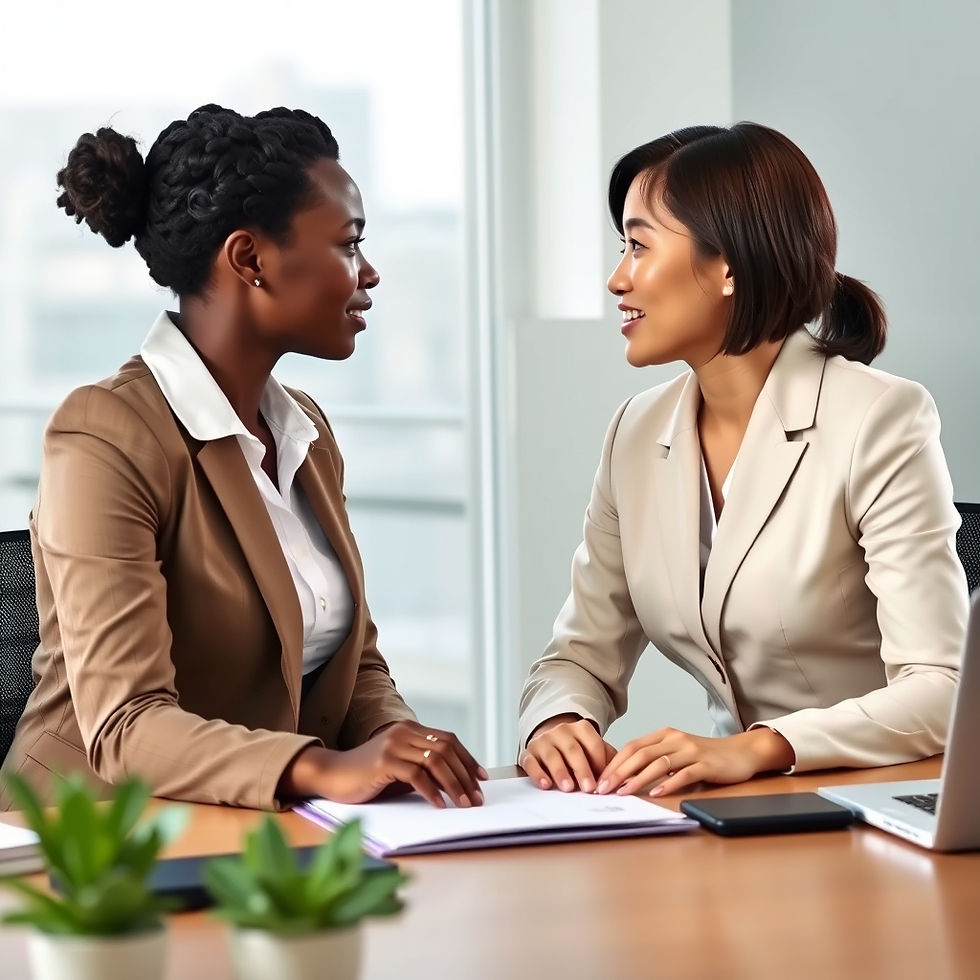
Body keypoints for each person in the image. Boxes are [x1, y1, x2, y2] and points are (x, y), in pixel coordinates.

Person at [0, 104, 485, 811]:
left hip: (252, 832)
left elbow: (356, 661)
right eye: (349, 245)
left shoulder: (304, 431)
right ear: (250, 259)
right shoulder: (106, 434)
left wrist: (403, 749)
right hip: (92, 845)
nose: (370, 273)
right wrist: (322, 768)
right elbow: (126, 727)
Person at [519, 122, 968, 799]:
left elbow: (944, 689)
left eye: (638, 246)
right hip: (735, 810)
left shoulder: (881, 418)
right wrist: (558, 719)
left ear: (726, 264)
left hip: (880, 803)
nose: (618, 279)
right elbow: (581, 652)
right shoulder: (635, 432)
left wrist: (762, 749)